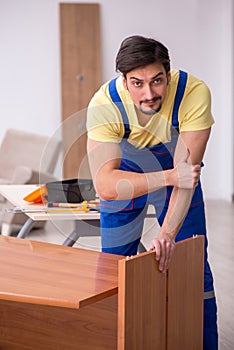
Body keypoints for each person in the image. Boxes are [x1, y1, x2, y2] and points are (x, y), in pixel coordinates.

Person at [86, 35, 218, 349]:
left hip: (176, 165)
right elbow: (106, 184)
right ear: (123, 80)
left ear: (168, 75)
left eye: (157, 81)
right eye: (137, 83)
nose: (148, 94)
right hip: (125, 173)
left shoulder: (193, 93)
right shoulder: (104, 105)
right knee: (114, 269)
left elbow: (187, 178)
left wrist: (169, 234)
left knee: (192, 264)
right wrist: (170, 176)